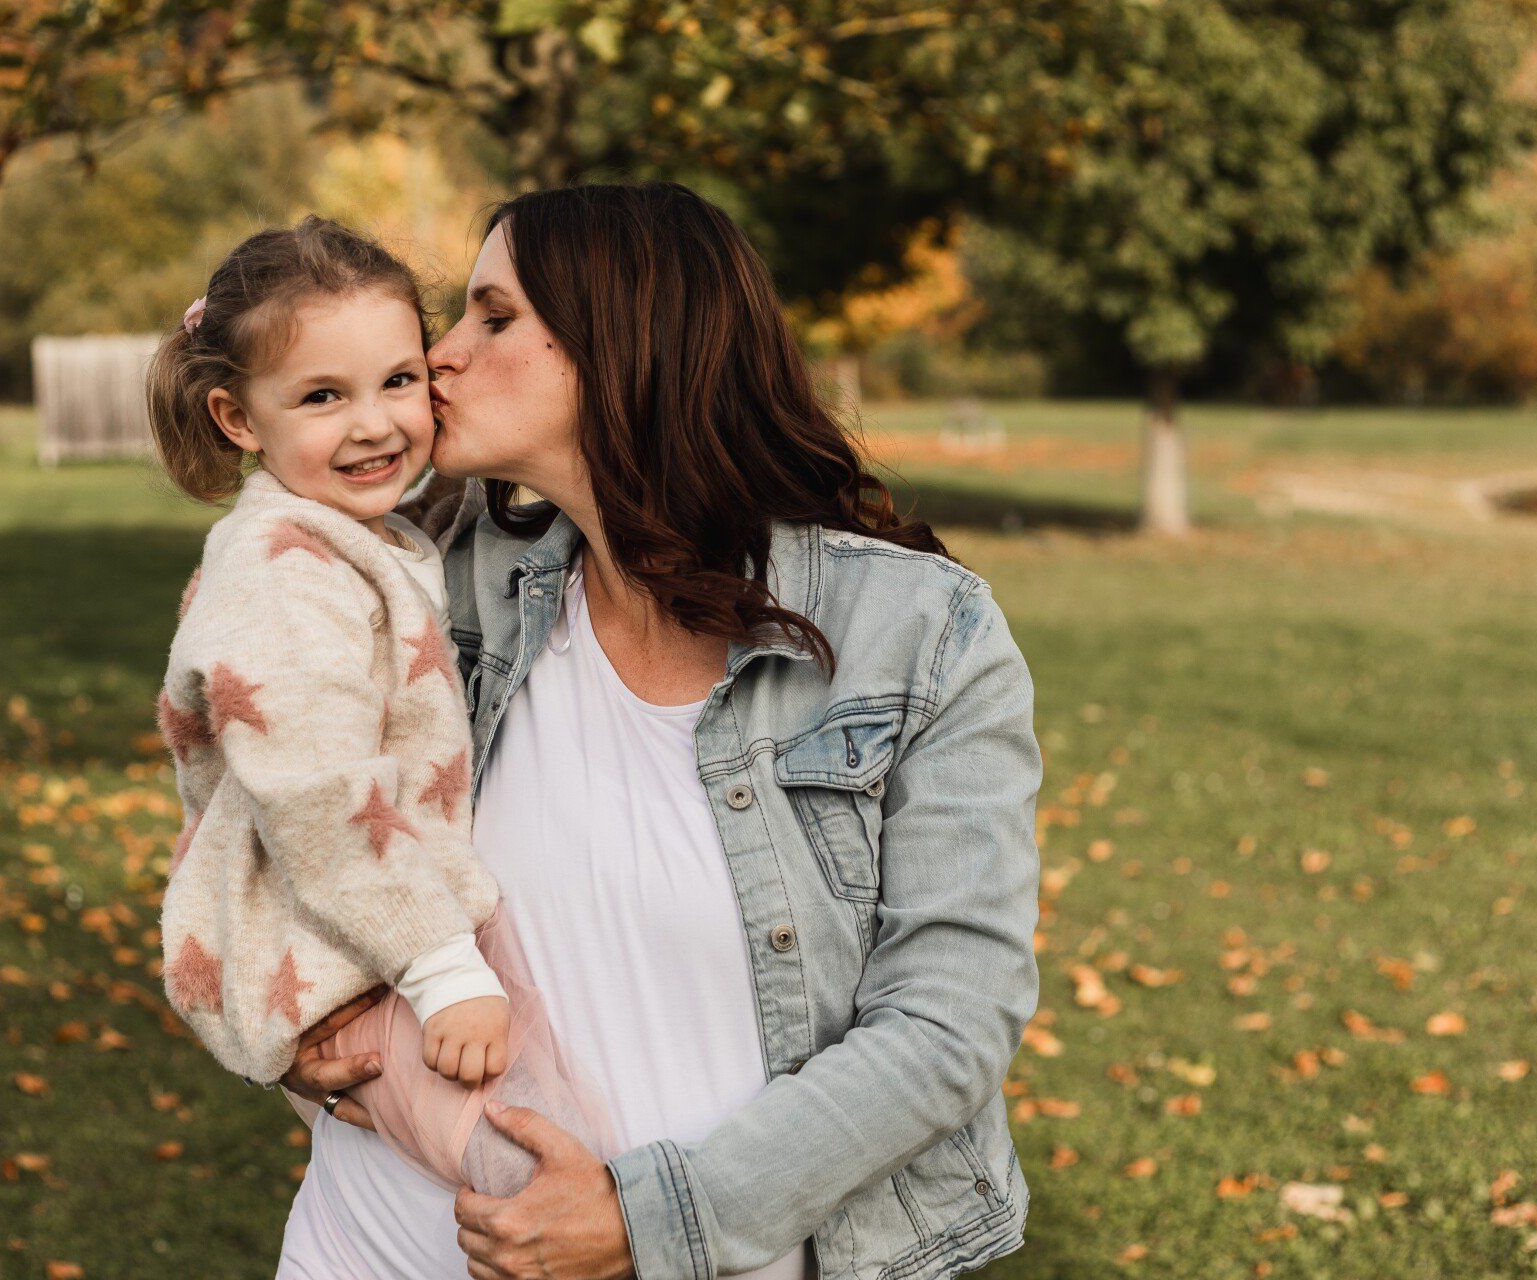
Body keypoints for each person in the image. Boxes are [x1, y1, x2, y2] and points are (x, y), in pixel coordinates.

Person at [278, 181, 1045, 1280]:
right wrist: (288, 1015)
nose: (438, 354)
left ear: (624, 343)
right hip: (382, 1241)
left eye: (493, 317)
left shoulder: (915, 632)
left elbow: (949, 1023)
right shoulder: (441, 581)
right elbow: (267, 781)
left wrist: (648, 1220)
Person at [144, 215, 615, 1204]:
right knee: (548, 1180)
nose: (374, 423)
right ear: (237, 418)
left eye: (399, 380)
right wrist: (443, 969)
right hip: (354, 967)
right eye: (323, 396)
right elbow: (322, 797)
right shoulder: (281, 571)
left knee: (583, 1145)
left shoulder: (365, 535)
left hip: (379, 946)